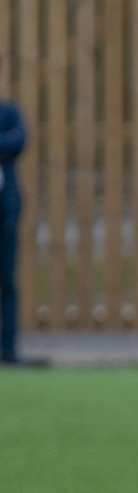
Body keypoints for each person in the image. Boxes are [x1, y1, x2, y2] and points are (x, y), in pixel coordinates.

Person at [0, 96, 28, 366]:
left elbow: (18, 142)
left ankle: (8, 350)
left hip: (6, 210)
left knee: (7, 280)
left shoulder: (9, 113)